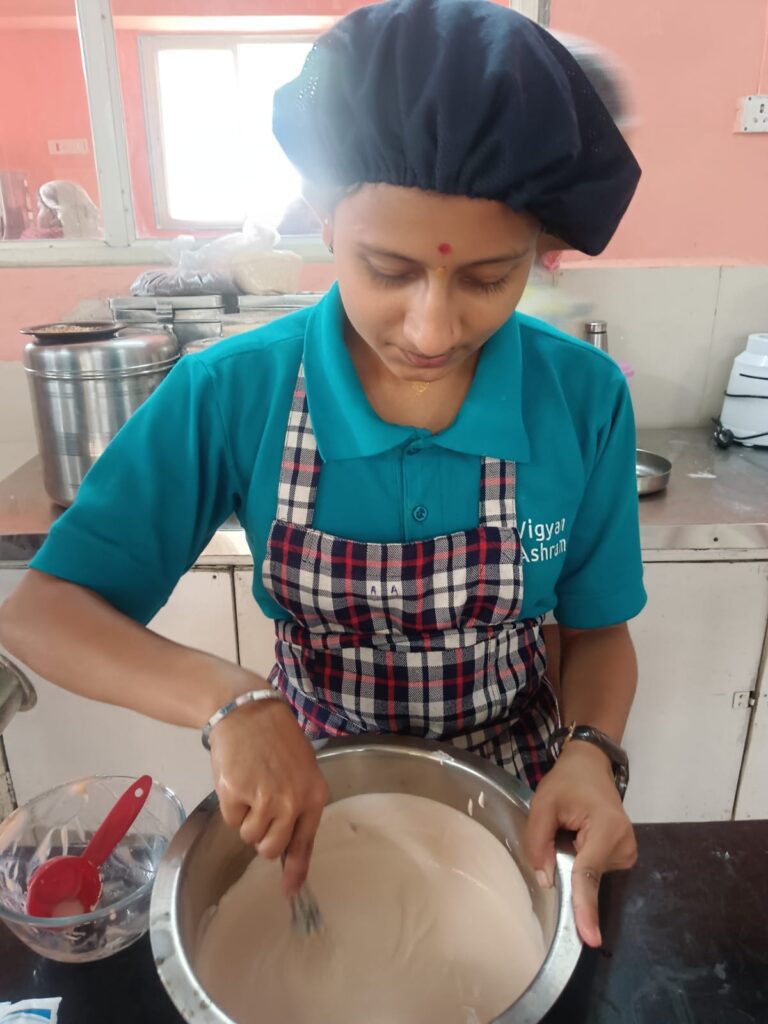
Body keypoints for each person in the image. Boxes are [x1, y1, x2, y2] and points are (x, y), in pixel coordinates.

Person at [0, 0, 645, 950]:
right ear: (321, 211)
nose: (432, 330)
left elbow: (596, 634)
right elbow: (43, 613)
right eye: (387, 267)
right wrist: (231, 702)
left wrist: (592, 752)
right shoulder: (234, 391)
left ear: (539, 252)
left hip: (516, 805)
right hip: (309, 799)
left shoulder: (582, 398)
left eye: (486, 279)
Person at [20, 180, 100, 240]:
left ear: (54, 215)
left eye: (39, 208)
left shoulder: (34, 240)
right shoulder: (97, 237)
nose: (36, 215)